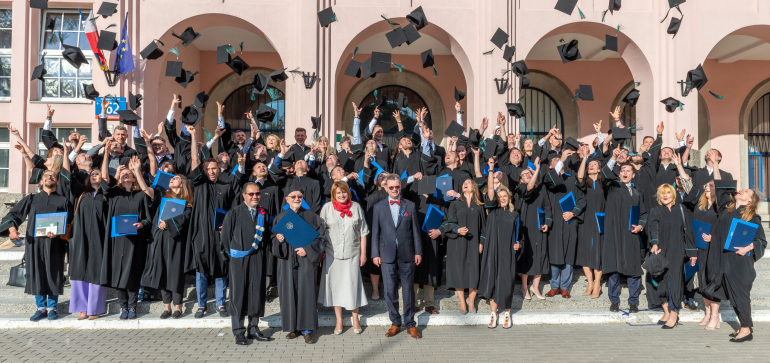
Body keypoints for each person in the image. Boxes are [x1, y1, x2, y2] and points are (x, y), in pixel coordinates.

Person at [186, 126, 244, 319]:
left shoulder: (226, 187)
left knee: (221, 268)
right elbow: (195, 159)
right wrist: (194, 136)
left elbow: (234, 209)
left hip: (220, 233)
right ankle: (201, 305)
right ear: (204, 171)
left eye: (214, 168)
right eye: (208, 169)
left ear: (219, 169)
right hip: (201, 232)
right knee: (201, 269)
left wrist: (227, 227)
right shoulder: (198, 184)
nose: (212, 171)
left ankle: (220, 303)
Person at [0, 169, 69, 321]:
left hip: (55, 244)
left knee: (53, 274)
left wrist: (58, 233)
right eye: (46, 176)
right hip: (35, 244)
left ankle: (52, 308)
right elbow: (13, 214)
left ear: (57, 181)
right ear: (41, 181)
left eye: (53, 176)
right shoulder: (31, 199)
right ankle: (41, 308)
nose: (49, 177)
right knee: (37, 273)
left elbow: (68, 224)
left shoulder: (63, 201)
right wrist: (12, 229)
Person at [712, 159, 766, 342]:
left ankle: (745, 330)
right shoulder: (727, 211)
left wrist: (748, 247)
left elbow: (761, 241)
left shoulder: (752, 217)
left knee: (741, 296)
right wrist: (715, 165)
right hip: (726, 261)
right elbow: (720, 189)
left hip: (741, 263)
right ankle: (745, 326)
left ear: (750, 199)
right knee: (734, 298)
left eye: (746, 191)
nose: (741, 190)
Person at [136, 158, 194, 320]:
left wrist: (167, 223)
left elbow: (186, 218)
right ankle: (166, 307)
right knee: (161, 271)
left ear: (182, 183)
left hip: (175, 241)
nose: (171, 179)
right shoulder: (161, 195)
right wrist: (136, 171)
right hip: (160, 239)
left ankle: (178, 307)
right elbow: (146, 189)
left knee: (175, 272)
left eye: (175, 178)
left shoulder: (187, 203)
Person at [221, 183, 274, 345]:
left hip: (257, 259)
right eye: (251, 194)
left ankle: (253, 328)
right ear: (244, 195)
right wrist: (230, 257)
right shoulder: (234, 212)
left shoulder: (263, 213)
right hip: (239, 259)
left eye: (257, 194)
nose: (255, 197)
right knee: (239, 294)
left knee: (256, 292)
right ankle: (238, 331)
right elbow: (225, 238)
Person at [272, 186, 326, 344]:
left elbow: (321, 239)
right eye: (293, 196)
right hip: (286, 261)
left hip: (305, 261)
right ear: (287, 199)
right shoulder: (280, 218)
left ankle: (308, 330)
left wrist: (307, 250)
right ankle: (293, 328)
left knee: (306, 293)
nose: (297, 199)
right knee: (288, 293)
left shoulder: (312, 216)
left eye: (300, 197)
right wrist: (278, 240)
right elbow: (272, 240)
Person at [371, 174, 423, 339]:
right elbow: (375, 234)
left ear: (400, 187)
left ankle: (410, 324)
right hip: (386, 255)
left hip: (407, 253)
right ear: (386, 187)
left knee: (408, 290)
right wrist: (375, 254)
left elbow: (416, 231)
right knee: (390, 291)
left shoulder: (410, 205)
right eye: (391, 187)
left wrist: (418, 251)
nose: (394, 190)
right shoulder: (378, 207)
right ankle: (395, 322)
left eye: (397, 187)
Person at [100, 157, 151, 320]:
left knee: (133, 273)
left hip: (135, 241)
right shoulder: (114, 194)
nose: (125, 175)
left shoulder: (140, 196)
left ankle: (132, 306)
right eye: (123, 173)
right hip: (117, 241)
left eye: (128, 173)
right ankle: (123, 307)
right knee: (119, 273)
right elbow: (104, 187)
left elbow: (147, 218)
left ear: (134, 177)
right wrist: (115, 174)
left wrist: (142, 224)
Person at [318, 181, 369, 335]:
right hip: (332, 254)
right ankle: (339, 320)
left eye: (344, 192)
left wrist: (363, 254)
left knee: (353, 285)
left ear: (348, 192)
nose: (341, 195)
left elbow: (363, 232)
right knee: (336, 287)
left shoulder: (356, 207)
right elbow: (321, 232)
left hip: (352, 253)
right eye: (338, 193)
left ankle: (355, 318)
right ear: (334, 194)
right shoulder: (327, 208)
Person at [602, 145, 647, 313]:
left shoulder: (637, 193)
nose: (625, 172)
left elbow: (644, 213)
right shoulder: (612, 187)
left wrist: (641, 225)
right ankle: (614, 301)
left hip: (630, 235)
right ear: (619, 174)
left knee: (634, 270)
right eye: (623, 170)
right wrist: (613, 158)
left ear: (633, 174)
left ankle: (633, 302)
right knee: (614, 270)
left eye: (628, 170)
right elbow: (605, 174)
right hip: (614, 235)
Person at [646, 181, 697, 329]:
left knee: (674, 281)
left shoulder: (681, 210)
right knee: (659, 282)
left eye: (668, 193)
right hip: (660, 250)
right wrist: (654, 243)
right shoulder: (655, 210)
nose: (665, 196)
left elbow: (688, 233)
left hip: (677, 250)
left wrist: (692, 252)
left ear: (673, 194)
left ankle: (674, 312)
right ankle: (666, 310)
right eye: (662, 193)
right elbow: (653, 228)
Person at [437, 175, 485, 314]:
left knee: (474, 272)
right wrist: (456, 229)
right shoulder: (455, 204)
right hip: (457, 243)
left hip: (474, 243)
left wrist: (482, 241)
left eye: (468, 182)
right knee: (459, 271)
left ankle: (471, 301)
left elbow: (484, 227)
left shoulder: (479, 206)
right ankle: (462, 302)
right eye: (464, 182)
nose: (465, 183)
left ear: (474, 187)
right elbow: (449, 222)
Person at [478, 177, 521, 329]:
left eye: (505, 196)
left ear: (509, 198)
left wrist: (519, 244)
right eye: (500, 196)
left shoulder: (515, 215)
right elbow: (490, 191)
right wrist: (490, 170)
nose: (502, 199)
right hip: (492, 251)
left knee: (507, 281)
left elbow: (520, 236)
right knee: (492, 281)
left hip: (507, 253)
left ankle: (507, 312)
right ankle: (494, 313)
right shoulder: (492, 213)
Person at [68, 168, 109, 320]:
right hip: (80, 237)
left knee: (96, 271)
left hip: (99, 238)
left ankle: (94, 308)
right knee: (79, 271)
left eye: (97, 174)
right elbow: (69, 177)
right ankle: (82, 308)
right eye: (92, 174)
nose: (94, 176)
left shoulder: (106, 196)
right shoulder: (82, 195)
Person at [516, 157, 550, 300]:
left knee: (540, 256)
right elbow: (529, 188)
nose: (528, 175)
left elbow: (547, 207)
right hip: (526, 227)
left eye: (529, 173)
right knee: (527, 256)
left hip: (539, 227)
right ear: (521, 179)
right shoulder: (521, 188)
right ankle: (525, 287)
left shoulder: (541, 190)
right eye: (525, 174)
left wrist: (548, 222)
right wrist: (536, 169)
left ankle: (535, 287)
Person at [576, 146, 606, 298]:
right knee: (585, 252)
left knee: (597, 253)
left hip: (600, 220)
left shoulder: (604, 185)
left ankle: (597, 284)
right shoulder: (584, 184)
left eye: (594, 165)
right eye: (589, 165)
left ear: (599, 169)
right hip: (586, 220)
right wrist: (584, 159)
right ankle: (590, 283)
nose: (591, 166)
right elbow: (580, 177)